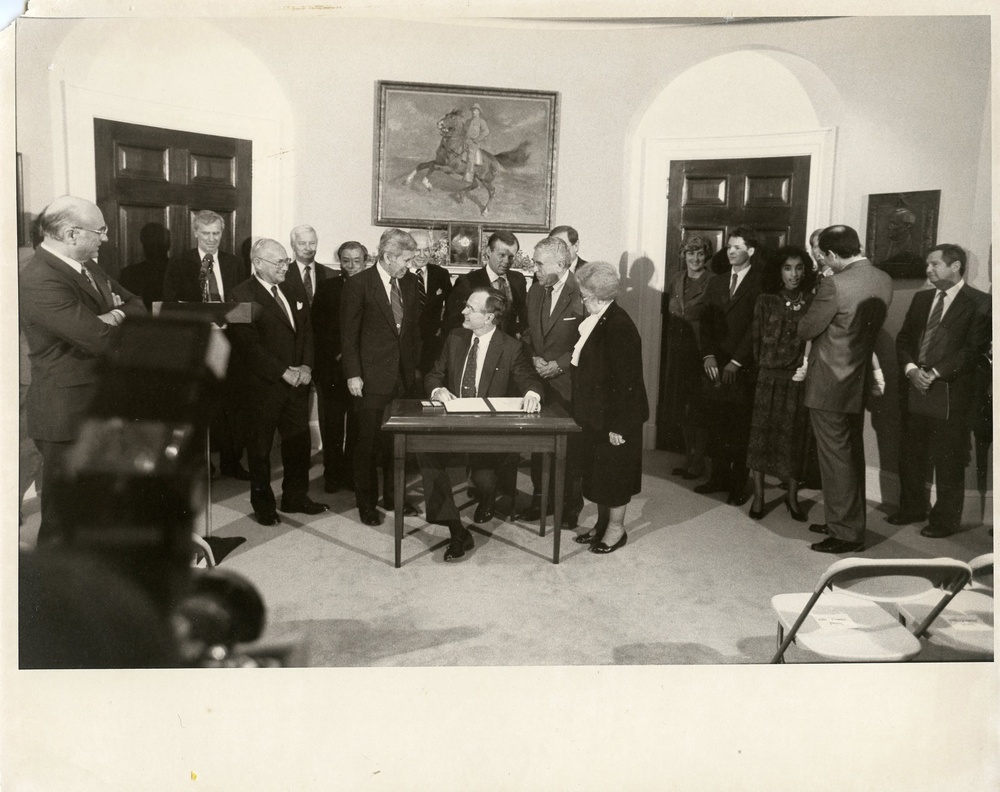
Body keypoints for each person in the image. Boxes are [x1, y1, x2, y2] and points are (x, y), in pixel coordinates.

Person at [18, 195, 146, 543]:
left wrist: (112, 314)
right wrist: (109, 320)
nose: (106, 238)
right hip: (66, 413)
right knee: (63, 520)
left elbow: (137, 304)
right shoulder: (39, 278)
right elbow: (99, 340)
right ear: (71, 234)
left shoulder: (88, 266)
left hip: (99, 404)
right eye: (100, 231)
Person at [420, 288, 543, 561]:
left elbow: (529, 380)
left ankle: (487, 496)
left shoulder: (510, 347)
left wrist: (532, 394)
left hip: (488, 431)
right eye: (466, 306)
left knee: (484, 480)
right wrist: (437, 390)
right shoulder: (455, 337)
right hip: (453, 424)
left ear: (488, 317)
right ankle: (456, 530)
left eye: (470, 309)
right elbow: (433, 375)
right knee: (425, 454)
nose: (463, 311)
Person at [797, 225, 892, 553]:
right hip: (856, 381)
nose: (823, 261)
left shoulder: (834, 284)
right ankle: (845, 521)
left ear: (833, 254)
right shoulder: (883, 279)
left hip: (829, 384)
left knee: (835, 459)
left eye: (824, 256)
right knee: (850, 456)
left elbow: (807, 328)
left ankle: (845, 534)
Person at [889, 244, 991, 537]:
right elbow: (904, 339)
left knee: (949, 457)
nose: (928, 270)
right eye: (927, 264)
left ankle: (945, 521)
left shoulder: (981, 302)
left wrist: (934, 373)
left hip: (952, 392)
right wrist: (912, 370)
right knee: (910, 451)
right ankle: (911, 508)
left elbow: (972, 350)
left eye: (934, 264)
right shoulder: (922, 299)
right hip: (915, 385)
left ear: (955, 266)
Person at [228, 239, 327, 526]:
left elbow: (307, 330)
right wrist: (283, 371)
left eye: (286, 261)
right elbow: (247, 345)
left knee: (298, 444)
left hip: (297, 383)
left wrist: (306, 365)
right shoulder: (239, 295)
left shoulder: (293, 287)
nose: (285, 267)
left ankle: (295, 497)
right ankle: (263, 506)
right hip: (263, 386)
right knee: (260, 450)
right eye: (279, 262)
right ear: (258, 263)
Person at [341, 228, 422, 526]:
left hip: (402, 378)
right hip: (370, 378)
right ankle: (366, 504)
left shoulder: (410, 283)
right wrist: (353, 374)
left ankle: (393, 497)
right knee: (367, 444)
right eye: (406, 260)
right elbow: (348, 335)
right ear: (388, 257)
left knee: (395, 443)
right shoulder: (358, 284)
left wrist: (415, 369)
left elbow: (413, 331)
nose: (409, 266)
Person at [163, 209, 250, 480]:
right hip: (197, 342)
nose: (212, 239)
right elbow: (170, 304)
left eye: (216, 233)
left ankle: (232, 462)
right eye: (206, 233)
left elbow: (243, 301)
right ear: (196, 233)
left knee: (233, 405)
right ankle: (202, 463)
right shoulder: (180, 263)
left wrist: (227, 321)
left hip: (230, 340)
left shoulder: (234, 263)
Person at [570, 262, 649, 554]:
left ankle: (616, 529)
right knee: (599, 473)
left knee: (615, 475)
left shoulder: (619, 325)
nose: (582, 300)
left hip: (617, 418)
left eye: (585, 295)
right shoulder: (599, 318)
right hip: (598, 414)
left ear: (599, 296)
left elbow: (628, 382)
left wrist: (619, 426)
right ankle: (602, 523)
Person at [746, 246, 817, 521]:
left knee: (795, 438)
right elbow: (756, 340)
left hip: (798, 379)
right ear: (779, 271)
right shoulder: (765, 301)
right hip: (768, 378)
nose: (794, 274)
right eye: (788, 268)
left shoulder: (812, 301)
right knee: (761, 439)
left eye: (799, 268)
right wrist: (767, 368)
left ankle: (792, 496)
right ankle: (760, 496)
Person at [519, 236, 585, 525]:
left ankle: (570, 507)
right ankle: (540, 501)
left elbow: (589, 339)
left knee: (569, 450)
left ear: (560, 264)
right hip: (540, 382)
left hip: (569, 382)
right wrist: (534, 357)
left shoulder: (582, 290)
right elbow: (529, 333)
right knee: (539, 446)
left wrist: (559, 365)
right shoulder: (534, 290)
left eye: (539, 264)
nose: (533, 269)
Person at [695, 227, 762, 506]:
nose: (731, 252)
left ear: (751, 251)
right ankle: (718, 478)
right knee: (716, 424)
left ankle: (737, 485)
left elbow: (757, 327)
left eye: (737, 247)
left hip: (742, 366)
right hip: (715, 364)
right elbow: (706, 322)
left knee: (739, 428)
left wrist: (736, 361)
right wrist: (708, 355)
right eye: (729, 247)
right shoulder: (717, 282)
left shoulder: (760, 283)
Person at [662, 235, 715, 480]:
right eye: (690, 253)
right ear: (684, 255)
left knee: (698, 409)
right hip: (677, 353)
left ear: (706, 256)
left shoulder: (713, 281)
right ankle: (689, 455)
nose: (695, 258)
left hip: (700, 354)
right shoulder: (676, 279)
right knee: (681, 407)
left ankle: (699, 459)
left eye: (700, 253)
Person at [445, 230, 527, 338]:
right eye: (501, 255)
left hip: (510, 344)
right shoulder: (467, 281)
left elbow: (523, 317)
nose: (506, 261)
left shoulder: (518, 280)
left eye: (511, 257)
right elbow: (454, 322)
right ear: (488, 251)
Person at [410, 229, 452, 376]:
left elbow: (451, 305)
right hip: (406, 341)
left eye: (426, 250)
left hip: (432, 341)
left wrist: (443, 328)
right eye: (417, 250)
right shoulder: (400, 273)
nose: (422, 255)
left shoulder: (440, 274)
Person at [118, 222, 170, 309]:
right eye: (151, 243)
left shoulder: (129, 273)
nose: (154, 248)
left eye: (157, 243)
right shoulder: (129, 274)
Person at [283, 224, 335, 307]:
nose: (308, 248)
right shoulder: (283, 274)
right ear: (293, 246)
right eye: (302, 243)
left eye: (312, 243)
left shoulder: (331, 274)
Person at [463, 102, 489, 183]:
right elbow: (464, 132)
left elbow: (486, 131)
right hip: (466, 141)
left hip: (474, 143)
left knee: (470, 156)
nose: (473, 112)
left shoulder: (481, 121)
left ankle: (469, 176)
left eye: (475, 110)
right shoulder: (467, 121)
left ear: (479, 112)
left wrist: (477, 139)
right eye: (472, 110)